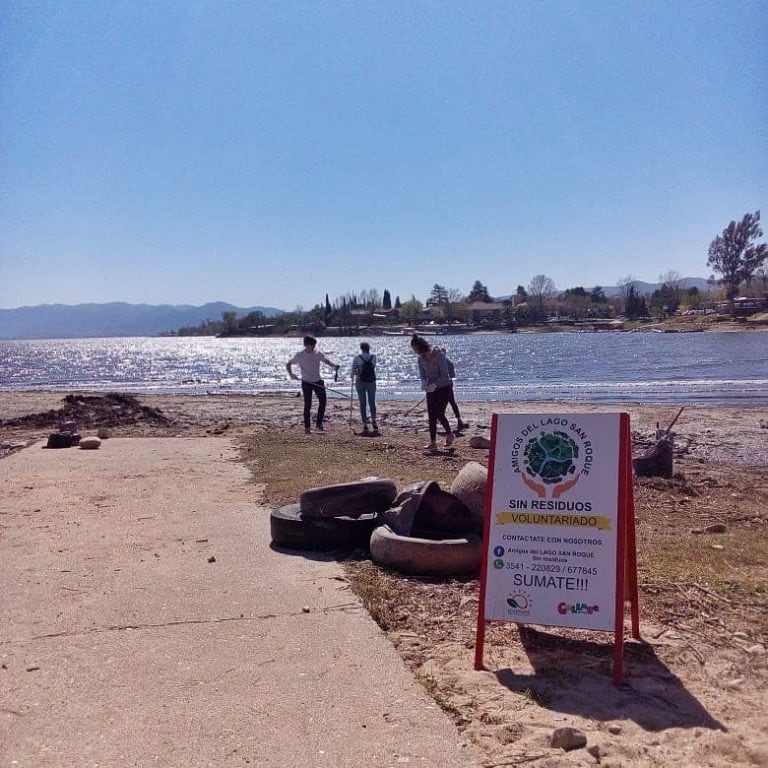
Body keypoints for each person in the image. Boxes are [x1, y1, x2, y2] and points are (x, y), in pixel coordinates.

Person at [410, 333, 455, 454]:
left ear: (420, 346)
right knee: (431, 416)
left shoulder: (439, 355)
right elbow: (423, 375)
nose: (414, 351)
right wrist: (424, 383)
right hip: (431, 389)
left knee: (440, 413)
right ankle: (433, 442)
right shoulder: (420, 359)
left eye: (414, 348)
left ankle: (450, 434)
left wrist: (434, 385)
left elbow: (445, 376)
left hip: (444, 388)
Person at [286, 335, 339, 434]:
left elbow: (326, 361)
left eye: (315, 345)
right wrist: (291, 374)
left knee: (323, 402)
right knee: (308, 405)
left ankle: (319, 424)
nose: (314, 347)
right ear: (307, 345)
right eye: (313, 345)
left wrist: (334, 366)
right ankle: (307, 427)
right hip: (306, 382)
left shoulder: (318, 353)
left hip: (318, 381)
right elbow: (288, 364)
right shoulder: (300, 355)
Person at [351, 341, 379, 435]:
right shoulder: (373, 357)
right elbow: (373, 367)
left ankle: (365, 425)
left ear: (361, 348)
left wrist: (352, 378)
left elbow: (353, 372)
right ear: (369, 348)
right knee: (372, 402)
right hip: (371, 382)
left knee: (362, 403)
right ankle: (374, 421)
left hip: (360, 382)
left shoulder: (357, 358)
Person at [442, 348, 468, 431]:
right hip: (448, 385)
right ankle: (459, 420)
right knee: (452, 403)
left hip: (442, 387)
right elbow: (452, 375)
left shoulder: (438, 363)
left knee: (442, 405)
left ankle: (457, 421)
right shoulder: (449, 362)